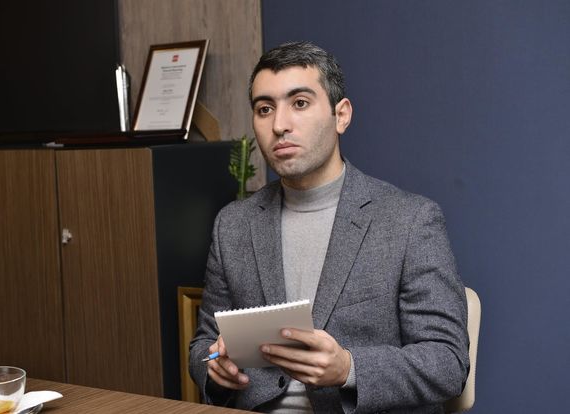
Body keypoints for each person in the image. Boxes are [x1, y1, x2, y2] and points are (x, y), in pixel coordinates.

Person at [189, 41, 469, 414]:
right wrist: (214, 368)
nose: (279, 125)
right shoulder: (234, 225)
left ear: (341, 116)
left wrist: (349, 369)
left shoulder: (410, 220)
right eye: (264, 109)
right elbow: (204, 344)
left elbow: (448, 362)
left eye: (300, 103)